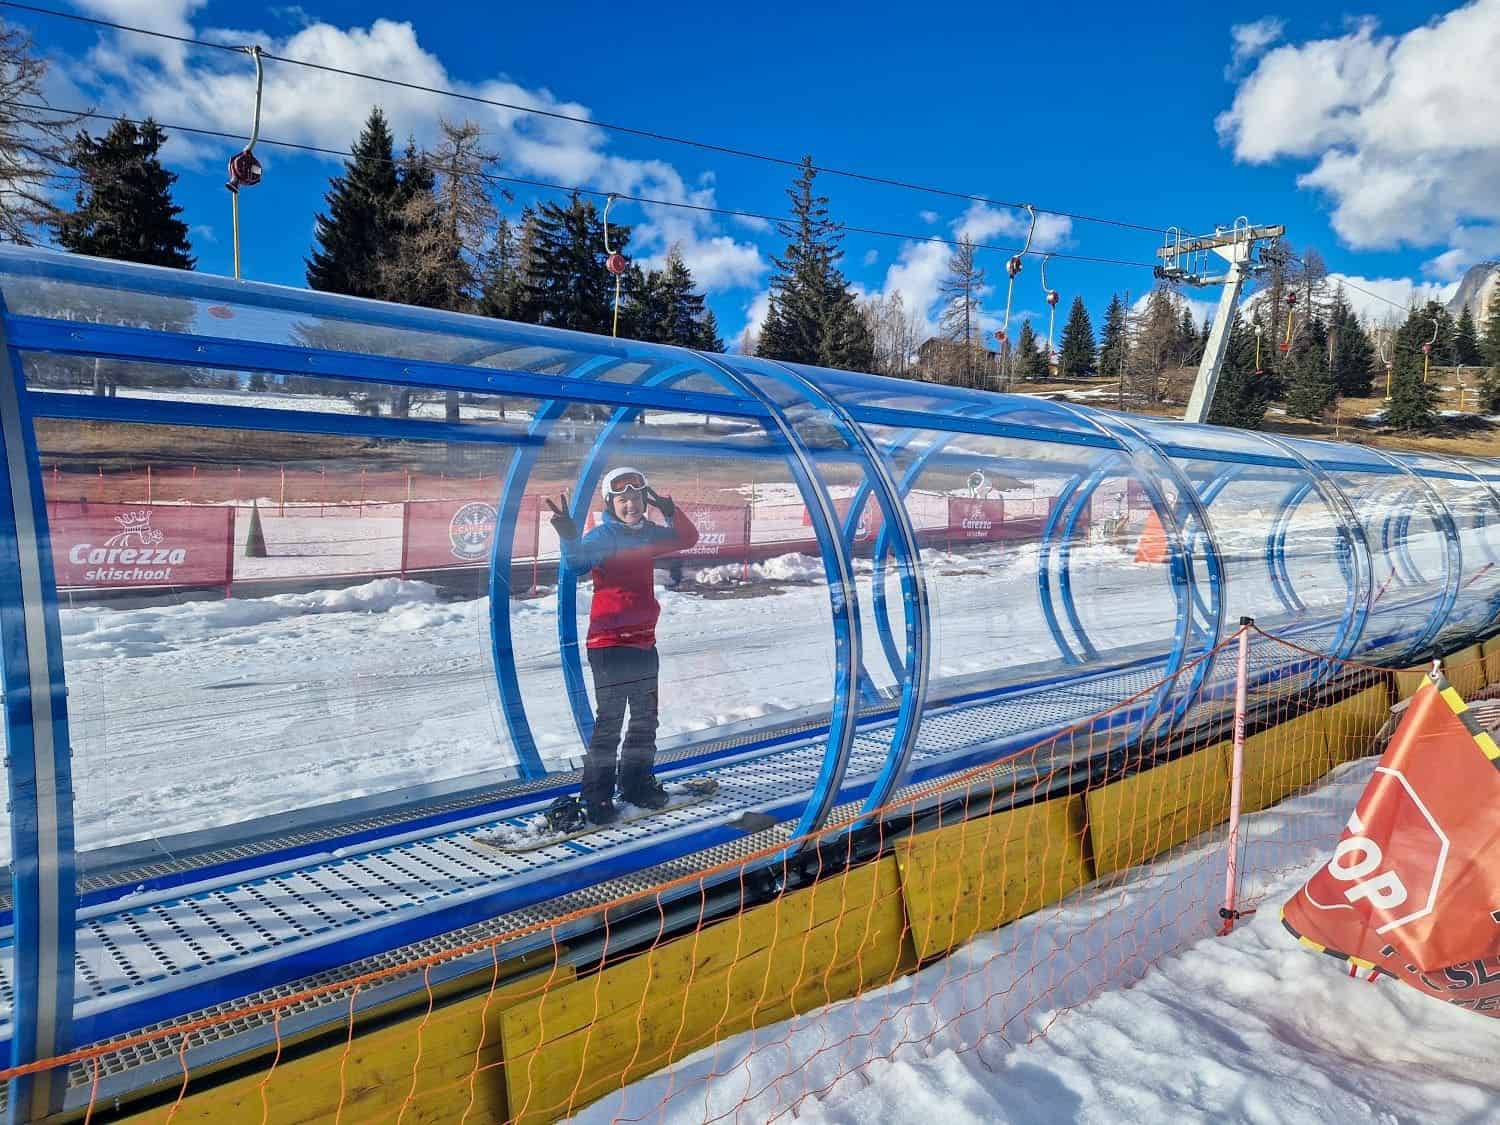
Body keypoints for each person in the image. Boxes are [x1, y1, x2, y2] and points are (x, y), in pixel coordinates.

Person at [545, 467, 698, 825]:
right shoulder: (606, 534)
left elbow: (687, 538)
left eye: (636, 498)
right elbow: (576, 565)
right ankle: (597, 797)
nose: (630, 504)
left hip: (644, 641)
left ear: (645, 500)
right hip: (609, 643)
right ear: (610, 503)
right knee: (610, 722)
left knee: (645, 720)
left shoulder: (647, 533)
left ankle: (636, 784)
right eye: (622, 499)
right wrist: (569, 536)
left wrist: (670, 509)